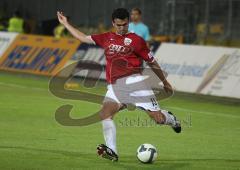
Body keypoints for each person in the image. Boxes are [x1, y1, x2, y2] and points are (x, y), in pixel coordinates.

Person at [57, 8, 181, 162]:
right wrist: (66, 24)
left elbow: (152, 62)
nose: (122, 28)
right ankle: (113, 151)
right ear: (113, 23)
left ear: (128, 22)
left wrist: (165, 82)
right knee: (105, 114)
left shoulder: (137, 41)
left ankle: (172, 120)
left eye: (124, 24)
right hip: (115, 87)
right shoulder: (106, 37)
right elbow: (82, 37)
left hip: (136, 84)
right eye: (118, 25)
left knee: (158, 119)